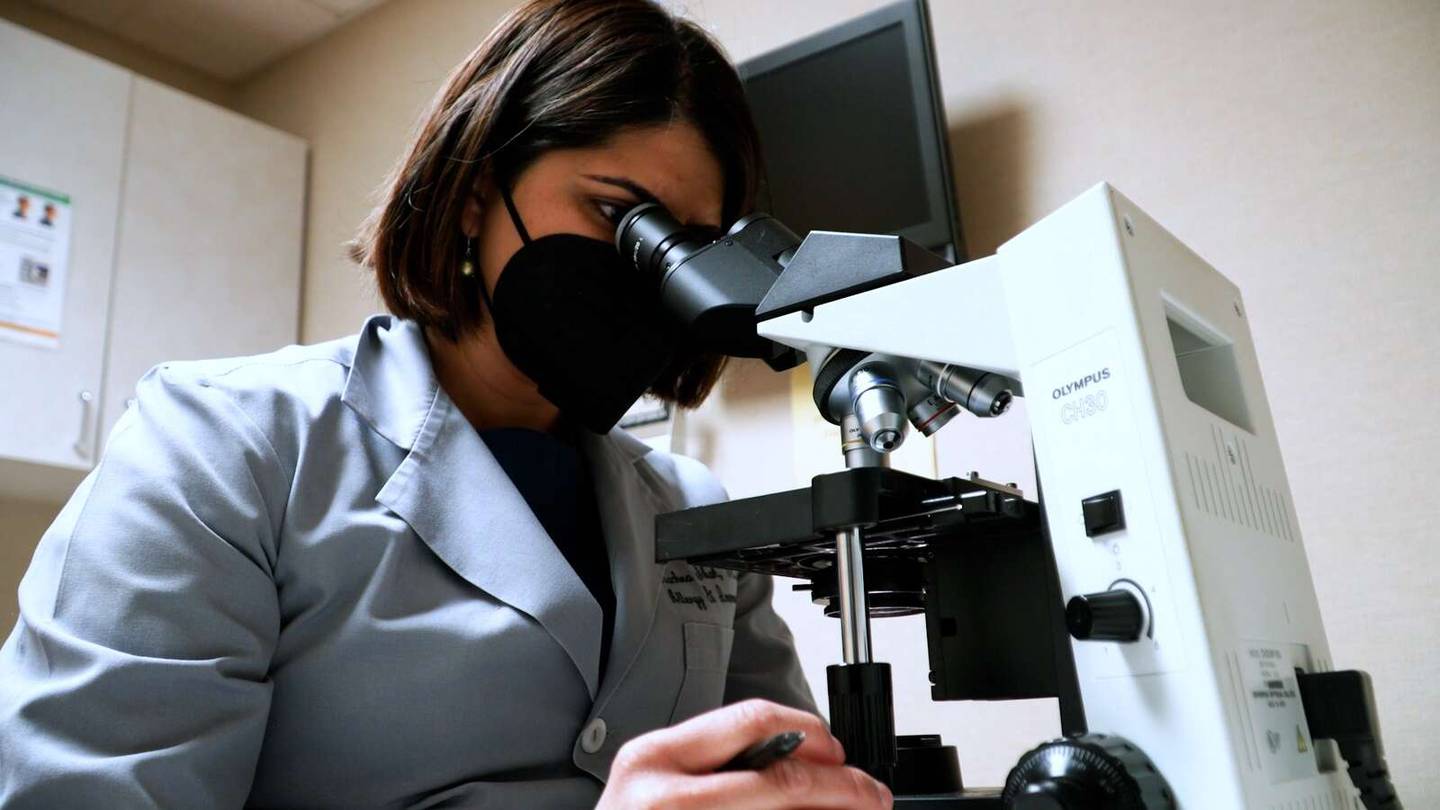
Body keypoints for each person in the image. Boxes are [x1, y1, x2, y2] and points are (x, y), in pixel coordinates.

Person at [0, 1, 893, 808]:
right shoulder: (222, 448)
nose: (647, 272)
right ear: (476, 194)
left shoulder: (699, 512)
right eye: (618, 216)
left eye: (686, 248)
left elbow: (782, 779)